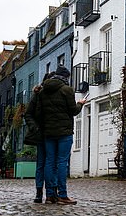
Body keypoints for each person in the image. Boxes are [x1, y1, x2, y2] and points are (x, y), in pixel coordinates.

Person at [34, 65, 85, 205]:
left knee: (49, 162)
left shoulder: (43, 91)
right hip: (64, 132)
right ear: (65, 77)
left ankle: (50, 195)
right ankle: (63, 195)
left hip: (48, 132)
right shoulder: (67, 90)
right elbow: (73, 111)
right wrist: (80, 104)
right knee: (62, 162)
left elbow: (38, 113)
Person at [24, 72, 53, 203]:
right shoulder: (37, 95)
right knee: (41, 164)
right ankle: (39, 192)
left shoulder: (56, 94)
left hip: (53, 134)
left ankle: (52, 192)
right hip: (42, 134)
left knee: (50, 164)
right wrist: (34, 128)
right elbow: (28, 114)